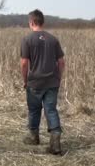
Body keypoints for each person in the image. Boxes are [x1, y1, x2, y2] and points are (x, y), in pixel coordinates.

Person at [20, 9, 65, 155]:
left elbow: (24, 63)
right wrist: (59, 77)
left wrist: (25, 79)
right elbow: (61, 61)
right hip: (52, 82)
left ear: (31, 22)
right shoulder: (53, 39)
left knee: (34, 110)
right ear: (42, 22)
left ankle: (34, 137)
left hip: (35, 82)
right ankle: (55, 141)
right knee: (51, 110)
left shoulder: (27, 40)